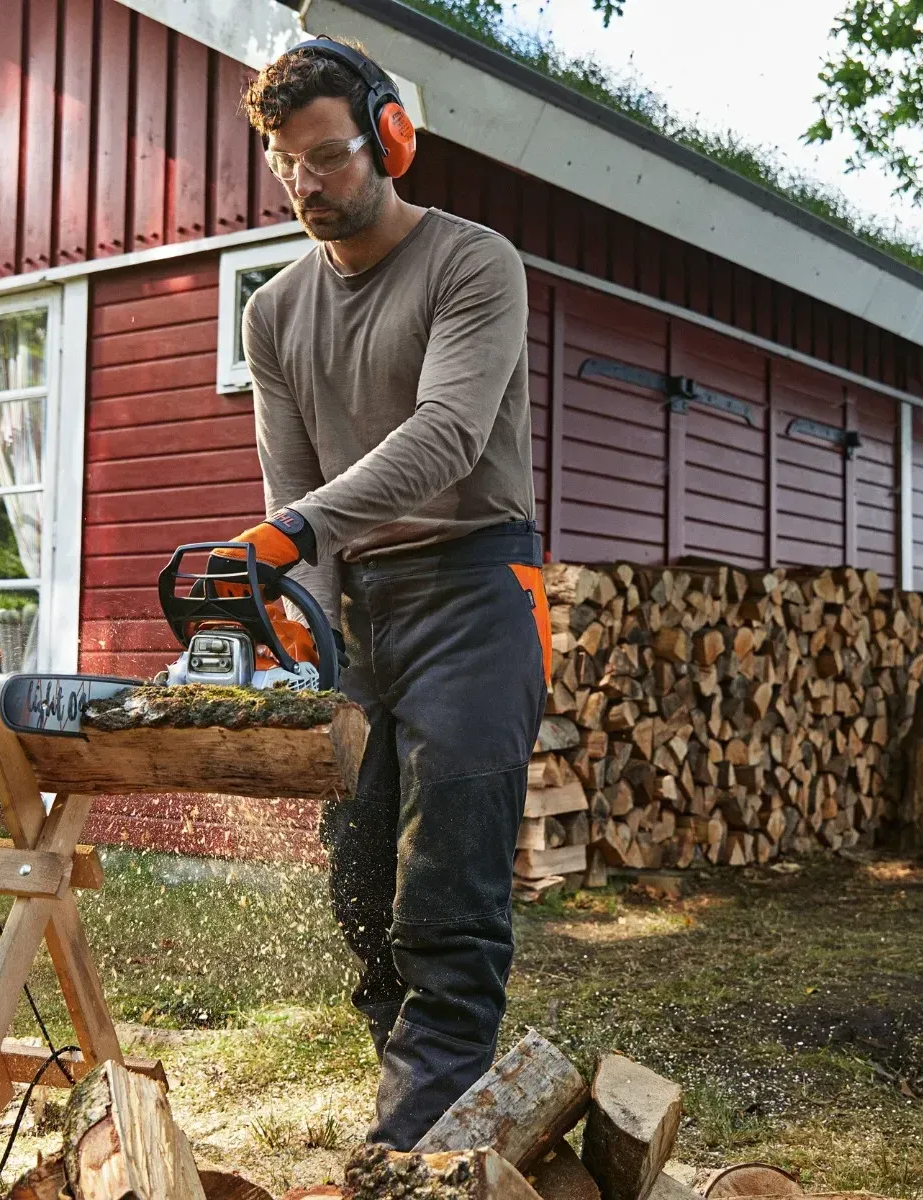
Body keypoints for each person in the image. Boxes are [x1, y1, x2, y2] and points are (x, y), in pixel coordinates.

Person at [228, 37, 551, 1148]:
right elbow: (291, 489)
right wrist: (295, 605)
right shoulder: (271, 314)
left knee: (446, 897)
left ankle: (405, 1151)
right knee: (361, 894)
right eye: (287, 169)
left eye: (326, 158)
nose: (307, 186)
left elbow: (448, 435)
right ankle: (437, 1121)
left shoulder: (474, 263)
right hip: (359, 609)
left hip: (474, 588)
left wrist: (296, 530)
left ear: (392, 137)